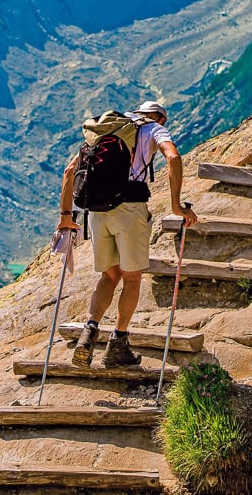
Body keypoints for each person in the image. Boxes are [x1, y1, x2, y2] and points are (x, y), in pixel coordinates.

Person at [56, 100, 197, 368]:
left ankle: (89, 332)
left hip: (97, 212)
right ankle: (118, 343)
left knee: (109, 275)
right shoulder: (155, 129)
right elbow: (173, 157)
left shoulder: (107, 130)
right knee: (132, 278)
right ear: (161, 118)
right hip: (130, 209)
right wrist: (176, 205)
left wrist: (65, 218)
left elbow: (70, 170)